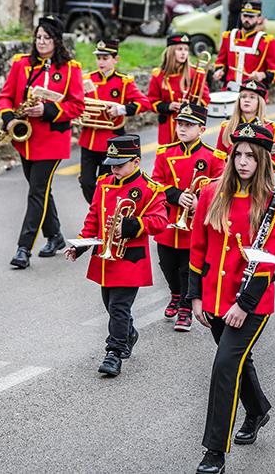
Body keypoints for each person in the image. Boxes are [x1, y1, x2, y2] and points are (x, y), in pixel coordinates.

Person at [188, 122, 275, 474]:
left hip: (251, 302)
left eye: (251, 156)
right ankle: (259, 409)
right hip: (213, 299)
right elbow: (198, 248)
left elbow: (268, 260)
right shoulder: (211, 193)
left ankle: (214, 452)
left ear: (263, 160)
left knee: (224, 366)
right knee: (237, 360)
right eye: (238, 155)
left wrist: (244, 305)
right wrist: (195, 297)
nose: (243, 161)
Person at [64, 135, 168, 376]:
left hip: (130, 259)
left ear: (136, 161)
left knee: (119, 307)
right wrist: (79, 246)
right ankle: (129, 334)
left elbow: (161, 221)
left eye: (120, 164)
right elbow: (93, 219)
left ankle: (114, 352)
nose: (114, 169)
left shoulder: (149, 189)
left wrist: (132, 226)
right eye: (112, 163)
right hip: (105, 258)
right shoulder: (103, 183)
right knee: (111, 307)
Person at [0, 16, 85, 269]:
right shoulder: (21, 65)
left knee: (36, 192)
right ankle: (55, 236)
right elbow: (4, 97)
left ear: (56, 41)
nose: (41, 42)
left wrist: (46, 111)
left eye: (46, 38)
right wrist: (9, 118)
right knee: (42, 191)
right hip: (25, 140)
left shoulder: (71, 69)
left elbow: (77, 106)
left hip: (52, 141)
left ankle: (23, 248)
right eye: (38, 37)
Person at [150, 103, 226, 331]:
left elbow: (221, 187)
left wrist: (199, 199)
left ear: (202, 129)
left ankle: (185, 307)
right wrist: (175, 195)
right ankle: (175, 293)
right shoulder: (165, 153)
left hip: (194, 223)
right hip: (170, 220)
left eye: (189, 125)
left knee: (187, 267)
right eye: (180, 124)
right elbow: (156, 183)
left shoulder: (213, 156)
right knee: (167, 264)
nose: (182, 129)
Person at [77, 39, 150, 203]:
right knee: (86, 182)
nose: (101, 62)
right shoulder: (87, 79)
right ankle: (97, 210)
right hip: (89, 139)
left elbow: (145, 103)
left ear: (115, 59)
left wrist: (121, 109)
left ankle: (104, 214)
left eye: (106, 58)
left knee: (108, 183)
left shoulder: (124, 81)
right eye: (99, 58)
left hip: (112, 142)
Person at [148, 33, 212, 147]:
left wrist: (191, 105)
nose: (183, 53)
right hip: (167, 128)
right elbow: (151, 102)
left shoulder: (196, 73)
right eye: (179, 49)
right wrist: (168, 106)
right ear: (171, 51)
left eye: (186, 49)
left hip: (189, 129)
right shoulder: (158, 75)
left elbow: (205, 99)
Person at [215, 80, 275, 172]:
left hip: (260, 180)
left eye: (252, 97)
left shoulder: (272, 129)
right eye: (243, 96)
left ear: (260, 102)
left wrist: (262, 165)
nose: (247, 100)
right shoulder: (226, 127)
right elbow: (219, 157)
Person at [213, 0, 275, 91]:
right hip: (230, 90)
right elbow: (220, 61)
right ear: (241, 16)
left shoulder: (267, 41)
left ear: (259, 19)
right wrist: (219, 71)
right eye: (245, 16)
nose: (247, 19)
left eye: (251, 17)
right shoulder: (229, 37)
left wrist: (261, 75)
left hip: (255, 91)